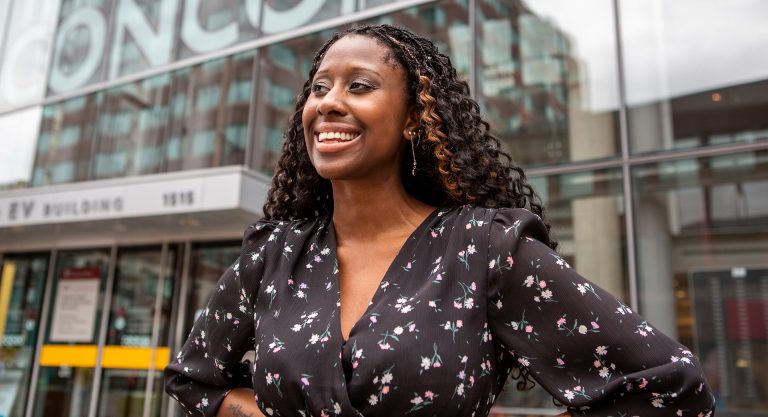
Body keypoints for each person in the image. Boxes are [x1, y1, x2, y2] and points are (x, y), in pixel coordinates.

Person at [165, 24, 715, 417]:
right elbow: (195, 378)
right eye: (319, 87)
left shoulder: (484, 248)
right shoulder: (274, 252)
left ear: (413, 119)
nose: (329, 103)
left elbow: (664, 385)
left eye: (359, 85)